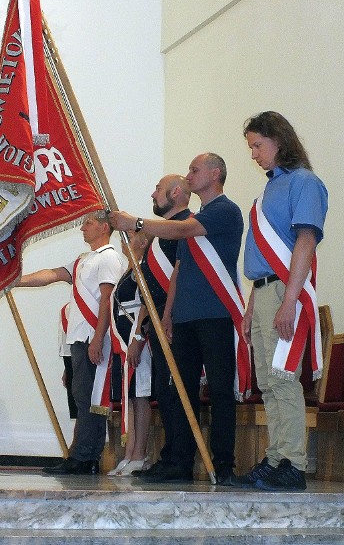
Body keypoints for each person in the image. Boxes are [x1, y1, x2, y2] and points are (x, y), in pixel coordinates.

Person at [109, 153, 244, 485]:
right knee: (178, 390)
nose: (189, 175)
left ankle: (223, 464)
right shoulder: (196, 218)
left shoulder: (225, 210)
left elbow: (184, 229)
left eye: (195, 170)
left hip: (215, 315)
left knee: (221, 391)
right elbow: (179, 272)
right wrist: (168, 314)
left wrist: (136, 223)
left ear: (215, 174)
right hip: (183, 318)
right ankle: (179, 461)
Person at [233, 111, 328, 491]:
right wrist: (252, 306)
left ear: (279, 140)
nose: (254, 154)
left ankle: (294, 463)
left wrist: (289, 302)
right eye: (251, 147)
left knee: (284, 378)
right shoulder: (267, 191)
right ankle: (276, 458)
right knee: (268, 383)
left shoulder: (304, 182)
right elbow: (261, 260)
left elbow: (305, 242)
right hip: (263, 292)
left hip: (286, 291)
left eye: (258, 145)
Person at [17, 211, 124, 475]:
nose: (82, 228)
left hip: (93, 336)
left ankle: (85, 457)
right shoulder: (84, 260)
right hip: (79, 338)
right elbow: (52, 275)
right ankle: (81, 455)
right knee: (82, 396)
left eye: (87, 223)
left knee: (90, 399)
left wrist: (98, 338)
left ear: (103, 227)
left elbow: (106, 300)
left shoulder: (109, 257)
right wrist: (16, 281)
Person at [117, 175, 192, 480]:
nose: (153, 193)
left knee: (174, 389)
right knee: (163, 390)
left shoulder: (185, 227)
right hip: (158, 319)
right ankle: (169, 458)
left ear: (176, 192)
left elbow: (175, 278)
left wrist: (166, 316)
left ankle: (180, 461)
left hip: (174, 319)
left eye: (158, 189)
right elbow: (149, 292)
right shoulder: (160, 239)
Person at [107, 230, 153, 476]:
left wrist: (137, 337)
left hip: (138, 340)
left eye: (132, 235)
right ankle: (130, 452)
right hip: (124, 341)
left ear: (143, 242)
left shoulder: (143, 268)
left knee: (141, 394)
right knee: (131, 396)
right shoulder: (129, 270)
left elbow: (146, 305)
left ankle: (140, 453)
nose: (125, 238)